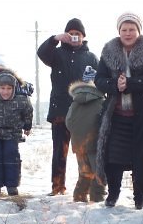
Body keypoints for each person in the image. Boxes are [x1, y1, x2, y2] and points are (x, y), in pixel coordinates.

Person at [95, 12, 143, 210]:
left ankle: (140, 197)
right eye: (124, 30)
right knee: (113, 159)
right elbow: (99, 79)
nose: (128, 33)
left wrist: (131, 83)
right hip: (116, 116)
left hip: (141, 114)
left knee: (141, 158)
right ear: (119, 31)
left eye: (132, 29)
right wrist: (114, 85)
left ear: (138, 31)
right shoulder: (108, 51)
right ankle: (113, 194)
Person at [37, 18, 99, 196]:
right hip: (60, 111)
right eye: (71, 34)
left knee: (84, 152)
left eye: (77, 34)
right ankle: (57, 187)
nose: (74, 37)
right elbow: (41, 52)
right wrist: (55, 38)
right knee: (59, 151)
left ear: (83, 36)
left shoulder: (91, 57)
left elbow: (97, 82)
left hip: (82, 112)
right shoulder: (56, 54)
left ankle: (85, 187)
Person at [65, 66, 106, 203]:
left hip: (78, 144)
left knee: (84, 172)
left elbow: (68, 121)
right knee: (98, 173)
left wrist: (77, 134)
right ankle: (97, 199)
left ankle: (79, 198)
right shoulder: (101, 101)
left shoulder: (75, 101)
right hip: (94, 143)